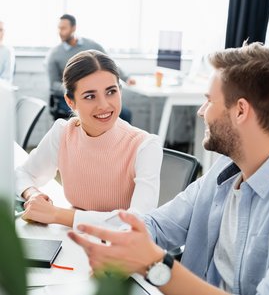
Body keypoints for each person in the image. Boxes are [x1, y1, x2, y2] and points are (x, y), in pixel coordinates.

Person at [69, 42, 269, 295]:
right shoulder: (226, 170)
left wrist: (156, 264)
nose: (201, 112)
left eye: (209, 101)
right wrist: (122, 248)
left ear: (241, 111)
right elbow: (158, 225)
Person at [16, 50, 162, 230]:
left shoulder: (145, 146)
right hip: (73, 240)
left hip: (121, 249)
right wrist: (32, 195)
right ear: (71, 102)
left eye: (111, 92)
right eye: (90, 96)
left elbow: (138, 221)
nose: (104, 105)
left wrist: (56, 214)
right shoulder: (63, 133)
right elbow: (23, 173)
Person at [46, 14, 134, 121]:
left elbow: (109, 64)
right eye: (59, 28)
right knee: (91, 114)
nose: (60, 32)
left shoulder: (92, 45)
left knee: (125, 114)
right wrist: (75, 88)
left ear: (73, 28)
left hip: (97, 93)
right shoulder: (54, 54)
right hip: (70, 97)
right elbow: (53, 85)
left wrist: (127, 78)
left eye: (63, 28)